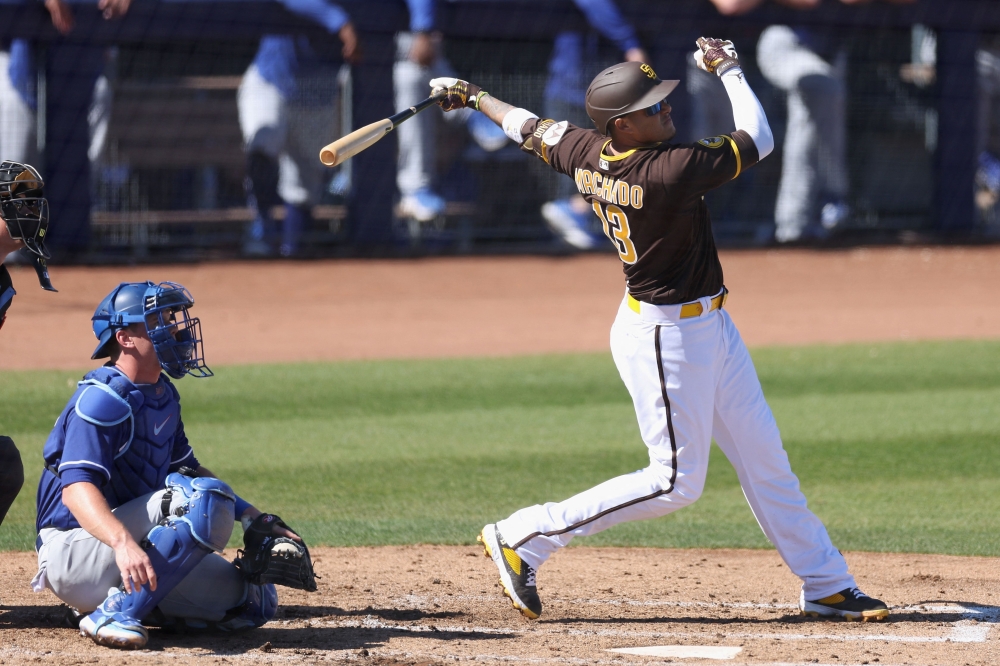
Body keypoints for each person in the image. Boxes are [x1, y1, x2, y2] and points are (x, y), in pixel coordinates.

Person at [429, 38, 889, 623]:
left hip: (708, 327)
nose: (666, 110)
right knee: (674, 481)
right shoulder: (669, 169)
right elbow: (761, 137)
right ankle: (526, 535)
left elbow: (530, 128)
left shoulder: (589, 151)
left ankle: (825, 583)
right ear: (622, 124)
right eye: (653, 107)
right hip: (667, 338)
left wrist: (473, 96)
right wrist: (728, 69)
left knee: (765, 458)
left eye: (664, 101)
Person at [32, 280, 300, 649]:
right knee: (201, 499)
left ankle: (122, 603)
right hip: (74, 553)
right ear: (125, 338)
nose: (175, 328)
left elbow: (188, 469)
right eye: (160, 320)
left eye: (174, 318)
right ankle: (112, 614)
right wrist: (123, 542)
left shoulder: (162, 396)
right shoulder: (102, 400)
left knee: (253, 602)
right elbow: (76, 492)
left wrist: (254, 517)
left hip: (123, 551)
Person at [238, 0, 361, 257]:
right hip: (271, 80)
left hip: (318, 94)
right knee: (264, 141)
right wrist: (341, 22)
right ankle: (262, 231)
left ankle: (292, 257)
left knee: (305, 187)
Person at [539, 0, 650, 250]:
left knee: (615, 163)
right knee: (574, 172)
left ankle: (580, 218)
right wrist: (631, 45)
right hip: (571, 93)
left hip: (605, 96)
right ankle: (571, 219)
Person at [393, 0, 507, 224]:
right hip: (367, 57)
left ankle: (467, 112)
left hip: (407, 52)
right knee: (411, 74)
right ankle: (468, 112)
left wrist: (424, 31)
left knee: (416, 70)